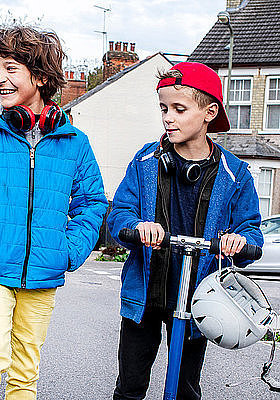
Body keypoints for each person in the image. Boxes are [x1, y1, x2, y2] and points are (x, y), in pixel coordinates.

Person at [0, 26, 108, 400]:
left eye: (10, 68)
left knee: (25, 370)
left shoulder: (75, 143)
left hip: (44, 274)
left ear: (42, 76)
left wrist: (67, 251)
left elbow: (92, 204)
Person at [107, 62, 263, 400]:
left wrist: (240, 241)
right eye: (163, 108)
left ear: (209, 112)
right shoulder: (146, 161)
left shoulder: (235, 174)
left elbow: (251, 232)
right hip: (145, 295)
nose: (168, 117)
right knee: (130, 385)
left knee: (185, 388)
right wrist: (137, 226)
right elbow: (120, 214)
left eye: (179, 108)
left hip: (198, 300)